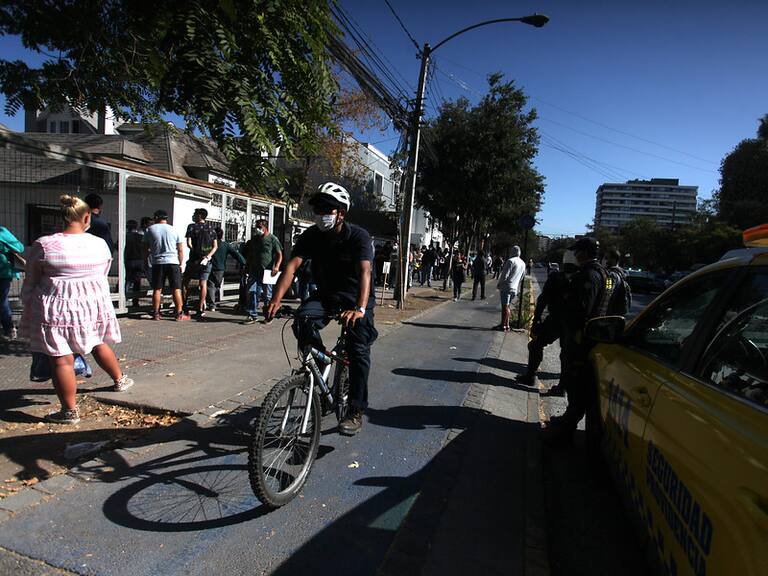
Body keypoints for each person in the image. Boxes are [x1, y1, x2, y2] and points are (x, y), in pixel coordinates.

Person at [265, 182, 378, 436]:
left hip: (356, 299)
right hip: (327, 296)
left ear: (341, 213)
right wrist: (275, 299)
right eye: (318, 208)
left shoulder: (358, 236)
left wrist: (360, 309)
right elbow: (292, 267)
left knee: (358, 350)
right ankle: (317, 367)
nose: (321, 214)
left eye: (328, 208)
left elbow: (365, 272)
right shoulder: (311, 236)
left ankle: (356, 410)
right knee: (301, 319)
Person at [20, 195, 133, 425]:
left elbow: (30, 281)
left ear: (60, 218)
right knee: (98, 342)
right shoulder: (99, 243)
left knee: (61, 360)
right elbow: (102, 274)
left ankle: (69, 412)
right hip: (90, 305)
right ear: (87, 216)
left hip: (55, 308)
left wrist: (29, 304)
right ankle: (120, 380)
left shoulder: (45, 244)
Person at [546, 237, 615, 445]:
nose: (575, 255)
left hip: (581, 338)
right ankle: (568, 420)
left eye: (578, 251)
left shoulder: (589, 275)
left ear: (585, 252)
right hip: (588, 336)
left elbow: (582, 309)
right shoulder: (603, 273)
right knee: (577, 383)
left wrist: (566, 301)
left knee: (576, 384)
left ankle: (566, 433)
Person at [517, 250, 579, 394]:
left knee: (536, 344)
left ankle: (531, 375)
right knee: (566, 354)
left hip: (556, 320)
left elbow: (543, 300)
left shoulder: (557, 277)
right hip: (572, 323)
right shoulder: (581, 278)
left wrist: (536, 319)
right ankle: (562, 386)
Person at [144, 209, 186, 321]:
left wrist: (146, 260)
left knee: (157, 289)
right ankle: (178, 314)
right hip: (173, 262)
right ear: (166, 218)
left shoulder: (150, 229)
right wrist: (180, 263)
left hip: (158, 262)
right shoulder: (174, 230)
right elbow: (180, 250)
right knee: (176, 289)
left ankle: (156, 313)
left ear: (156, 218)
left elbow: (145, 248)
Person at [242, 219, 283, 325]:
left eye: (260, 227)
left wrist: (277, 267)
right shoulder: (255, 239)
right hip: (254, 270)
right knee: (252, 291)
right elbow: (251, 254)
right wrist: (246, 266)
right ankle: (252, 315)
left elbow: (279, 254)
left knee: (267, 295)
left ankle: (268, 315)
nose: (257, 229)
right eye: (256, 227)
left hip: (268, 271)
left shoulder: (272, 239)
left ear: (265, 227)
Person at [182, 208, 217, 320]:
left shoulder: (191, 227)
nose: (193, 216)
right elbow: (215, 246)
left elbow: (189, 243)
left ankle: (184, 306)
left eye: (195, 214)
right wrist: (207, 256)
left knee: (185, 282)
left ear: (200, 216)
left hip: (194, 260)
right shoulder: (211, 228)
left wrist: (196, 252)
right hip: (206, 261)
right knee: (203, 284)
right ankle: (200, 308)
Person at [206, 227, 246, 311]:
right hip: (220, 268)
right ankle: (211, 302)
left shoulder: (210, 244)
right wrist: (244, 262)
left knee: (211, 286)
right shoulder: (225, 245)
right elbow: (236, 254)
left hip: (210, 266)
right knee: (215, 285)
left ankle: (211, 304)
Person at [0, 225, 24, 339]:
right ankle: (9, 328)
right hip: (3, 272)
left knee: (1, 300)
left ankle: (8, 327)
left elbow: (19, 248)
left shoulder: (2, 231)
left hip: (2, 273)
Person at [496, 246, 526, 331]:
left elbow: (504, 275)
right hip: (515, 287)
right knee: (508, 306)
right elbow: (522, 277)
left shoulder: (510, 261)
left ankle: (503, 325)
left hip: (507, 287)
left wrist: (499, 284)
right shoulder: (523, 263)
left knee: (504, 307)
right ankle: (507, 324)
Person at [603, 247, 632, 316]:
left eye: (606, 258)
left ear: (614, 259)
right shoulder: (622, 274)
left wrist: (602, 313)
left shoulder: (611, 275)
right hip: (617, 313)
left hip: (609, 314)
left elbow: (607, 292)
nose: (604, 260)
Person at [124, 220, 145, 307]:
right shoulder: (141, 236)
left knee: (127, 280)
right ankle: (135, 301)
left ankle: (123, 299)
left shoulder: (125, 237)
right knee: (137, 281)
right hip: (139, 260)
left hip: (129, 260)